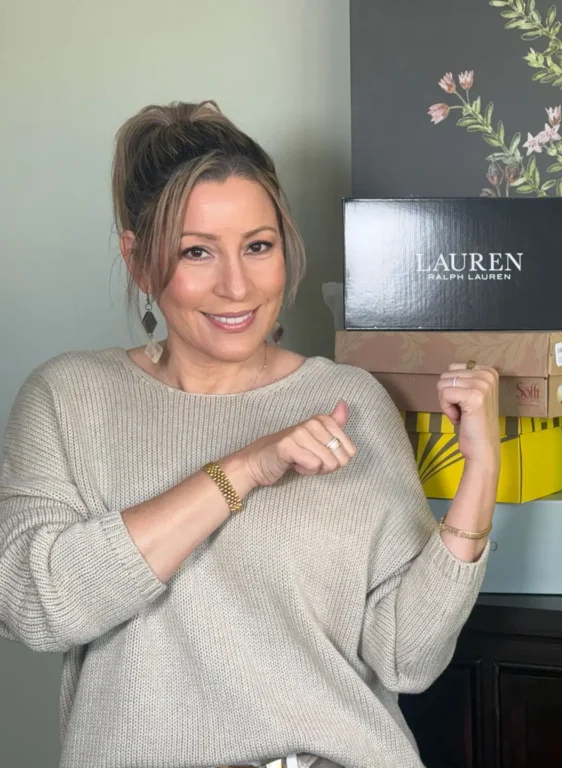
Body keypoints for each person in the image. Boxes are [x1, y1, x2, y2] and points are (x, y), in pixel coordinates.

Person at [0, 101, 500, 768]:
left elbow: (406, 656)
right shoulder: (67, 398)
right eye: (196, 252)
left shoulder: (348, 400)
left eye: (257, 247)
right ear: (139, 261)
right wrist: (242, 470)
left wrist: (481, 475)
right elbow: (38, 606)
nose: (236, 286)